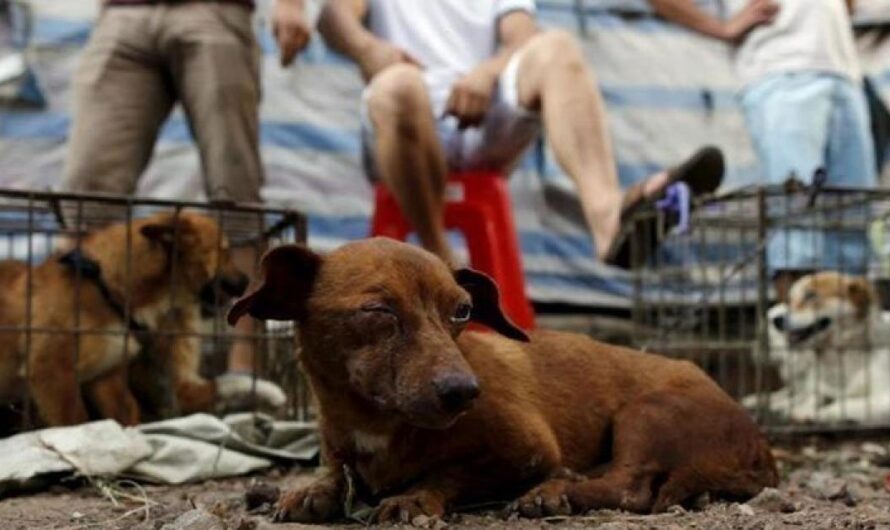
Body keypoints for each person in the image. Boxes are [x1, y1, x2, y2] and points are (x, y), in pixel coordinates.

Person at [318, 0, 725, 268]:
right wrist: (369, 49)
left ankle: (608, 217)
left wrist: (488, 72)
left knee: (558, 47)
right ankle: (437, 253)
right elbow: (334, 17)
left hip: (477, 122)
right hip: (400, 129)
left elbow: (522, 37)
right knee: (398, 86)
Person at [61, 0, 311, 374]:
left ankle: (245, 366)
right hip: (122, 14)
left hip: (215, 10)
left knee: (235, 189)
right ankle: (72, 351)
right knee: (85, 194)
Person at [650, 0, 878, 300]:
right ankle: (793, 341)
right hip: (780, 70)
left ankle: (846, 343)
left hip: (845, 73)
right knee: (794, 225)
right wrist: (723, 28)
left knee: (852, 221)